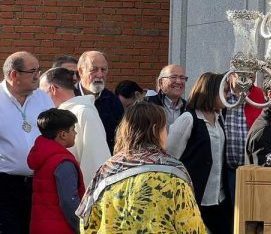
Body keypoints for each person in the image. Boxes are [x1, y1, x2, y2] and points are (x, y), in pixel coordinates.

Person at [76, 101, 206, 233]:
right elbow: (192, 227)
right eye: (165, 127)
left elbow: (87, 224)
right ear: (156, 130)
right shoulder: (174, 172)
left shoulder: (106, 170)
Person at [166, 72, 231, 234]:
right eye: (224, 91)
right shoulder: (188, 119)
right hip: (194, 198)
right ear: (211, 92)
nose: (228, 95)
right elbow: (170, 158)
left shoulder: (219, 118)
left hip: (220, 199)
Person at [0, 51, 54, 234]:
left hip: (39, 184)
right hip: (4, 186)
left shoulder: (43, 98)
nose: (38, 75)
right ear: (14, 75)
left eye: (39, 70)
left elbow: (54, 136)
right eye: (33, 71)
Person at [40, 67, 111, 185]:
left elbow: (95, 159)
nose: (41, 99)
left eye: (43, 92)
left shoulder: (84, 112)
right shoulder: (62, 113)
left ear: (53, 89)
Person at [27, 108, 84, 234]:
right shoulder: (64, 162)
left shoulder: (41, 155)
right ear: (63, 135)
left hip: (39, 226)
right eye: (73, 129)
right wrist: (82, 227)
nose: (75, 133)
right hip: (61, 228)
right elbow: (69, 201)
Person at [77, 51, 123, 152]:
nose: (99, 74)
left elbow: (120, 138)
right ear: (80, 71)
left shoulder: (113, 101)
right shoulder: (70, 97)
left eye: (103, 70)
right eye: (94, 70)